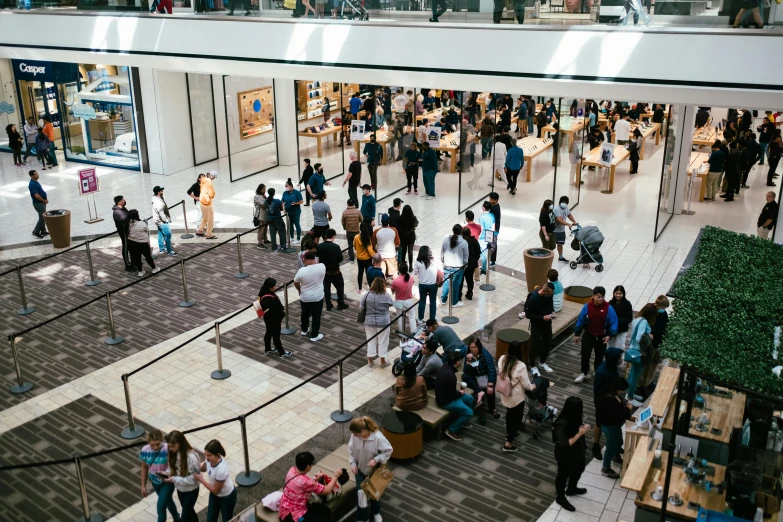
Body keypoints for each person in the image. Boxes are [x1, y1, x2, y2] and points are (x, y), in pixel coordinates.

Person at [348, 417, 393, 522]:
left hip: (374, 471)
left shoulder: (378, 437)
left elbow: (388, 451)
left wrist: (376, 459)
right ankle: (363, 518)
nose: (353, 436)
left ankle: (376, 512)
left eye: (355, 434)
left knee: (374, 492)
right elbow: (351, 450)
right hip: (359, 470)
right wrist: (353, 464)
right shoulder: (354, 436)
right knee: (361, 495)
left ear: (362, 431)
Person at [279, 452, 344, 522]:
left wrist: (315, 480)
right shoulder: (307, 482)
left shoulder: (291, 470)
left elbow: (300, 483)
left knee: (325, 510)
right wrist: (336, 476)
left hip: (284, 510)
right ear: (308, 466)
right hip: (294, 517)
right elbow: (327, 490)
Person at [574, 286, 619, 383]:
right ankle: (584, 373)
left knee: (599, 356)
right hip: (588, 335)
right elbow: (581, 320)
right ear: (593, 296)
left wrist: (609, 335)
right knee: (585, 355)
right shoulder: (587, 306)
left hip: (601, 337)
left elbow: (614, 322)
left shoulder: (608, 308)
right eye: (598, 296)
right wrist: (577, 333)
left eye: (602, 297)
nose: (600, 299)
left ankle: (597, 372)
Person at [553, 397, 590, 512]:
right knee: (563, 475)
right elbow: (565, 444)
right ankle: (560, 497)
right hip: (565, 455)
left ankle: (571, 488)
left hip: (578, 451)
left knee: (579, 469)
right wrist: (580, 433)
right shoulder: (561, 423)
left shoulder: (574, 417)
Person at [498, 341, 536, 452]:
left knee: (509, 414)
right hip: (516, 397)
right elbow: (526, 384)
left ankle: (509, 433)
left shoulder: (502, 359)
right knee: (517, 419)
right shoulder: (520, 365)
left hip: (505, 393)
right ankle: (508, 443)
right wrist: (533, 386)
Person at [140, 429, 180, 522]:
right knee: (168, 501)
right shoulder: (145, 450)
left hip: (168, 481)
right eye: (152, 445)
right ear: (148, 442)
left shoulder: (167, 449)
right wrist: (143, 485)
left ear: (162, 440)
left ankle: (177, 518)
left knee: (161, 507)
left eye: (158, 444)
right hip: (154, 481)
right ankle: (177, 518)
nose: (155, 447)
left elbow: (175, 465)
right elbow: (144, 468)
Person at [591, 346, 623, 461]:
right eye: (619, 357)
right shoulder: (601, 372)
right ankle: (596, 445)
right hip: (603, 401)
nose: (621, 359)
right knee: (601, 423)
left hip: (612, 398)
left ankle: (616, 448)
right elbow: (598, 391)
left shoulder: (612, 365)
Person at [596, 378, 633, 478]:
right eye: (623, 389)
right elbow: (619, 414)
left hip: (613, 425)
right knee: (610, 446)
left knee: (619, 441)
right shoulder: (610, 400)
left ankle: (616, 456)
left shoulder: (613, 394)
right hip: (610, 426)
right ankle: (605, 468)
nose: (624, 392)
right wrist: (627, 410)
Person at [192, 440, 236, 522]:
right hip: (214, 496)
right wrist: (192, 465)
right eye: (205, 454)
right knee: (210, 519)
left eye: (209, 455)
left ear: (217, 455)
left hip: (227, 497)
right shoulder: (209, 460)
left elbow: (216, 490)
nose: (206, 457)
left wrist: (201, 479)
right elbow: (203, 468)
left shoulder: (221, 469)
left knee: (227, 519)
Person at [435, 352, 475, 441]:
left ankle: (462, 420)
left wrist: (459, 393)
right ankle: (451, 430)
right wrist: (460, 393)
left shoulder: (445, 366)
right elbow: (453, 395)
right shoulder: (450, 375)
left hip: (447, 395)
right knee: (469, 412)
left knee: (470, 399)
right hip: (446, 401)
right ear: (457, 362)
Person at [163, 431, 201, 522]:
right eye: (169, 446)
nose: (171, 449)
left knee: (184, 517)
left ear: (180, 443)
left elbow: (195, 478)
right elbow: (172, 468)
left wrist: (175, 479)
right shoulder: (172, 453)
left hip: (191, 490)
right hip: (180, 489)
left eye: (173, 446)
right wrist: (166, 473)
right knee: (190, 512)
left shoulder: (192, 457)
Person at [626, 303, 656, 407]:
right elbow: (639, 338)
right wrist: (649, 337)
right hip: (639, 352)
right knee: (635, 375)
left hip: (633, 349)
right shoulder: (644, 322)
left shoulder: (637, 318)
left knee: (632, 374)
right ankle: (630, 398)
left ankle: (629, 393)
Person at [463, 337, 499, 423]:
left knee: (489, 391)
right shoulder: (468, 354)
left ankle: (492, 408)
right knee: (465, 376)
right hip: (475, 375)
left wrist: (490, 385)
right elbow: (466, 370)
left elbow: (491, 370)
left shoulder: (485, 354)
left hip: (485, 376)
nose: (473, 349)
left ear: (479, 346)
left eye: (475, 347)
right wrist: (468, 361)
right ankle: (479, 392)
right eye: (472, 347)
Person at [361, 276, 394, 368]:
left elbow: (361, 305)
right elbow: (391, 303)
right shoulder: (386, 295)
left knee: (371, 340)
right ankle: (382, 362)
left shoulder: (367, 294)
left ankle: (370, 361)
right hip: (383, 322)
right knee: (383, 341)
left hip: (369, 321)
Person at [640, 295, 669, 394]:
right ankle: (642, 384)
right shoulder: (651, 312)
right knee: (647, 365)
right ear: (657, 305)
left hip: (659, 343)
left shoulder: (664, 314)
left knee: (655, 363)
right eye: (662, 308)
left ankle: (649, 380)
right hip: (651, 344)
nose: (663, 310)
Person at [294, 251, 326, 342]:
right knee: (316, 316)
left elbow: (296, 282)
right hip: (318, 296)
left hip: (305, 297)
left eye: (304, 259)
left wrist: (299, 289)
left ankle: (304, 329)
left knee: (305, 314)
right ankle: (314, 335)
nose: (303, 260)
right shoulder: (322, 266)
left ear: (308, 260)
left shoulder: (302, 271)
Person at [258, 277, 292, 357]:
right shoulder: (268, 298)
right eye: (274, 286)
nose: (275, 287)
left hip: (268, 317)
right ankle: (282, 352)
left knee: (269, 332)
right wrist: (283, 312)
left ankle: (268, 348)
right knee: (276, 335)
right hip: (273, 319)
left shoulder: (263, 291)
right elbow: (275, 310)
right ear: (270, 287)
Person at [526, 283, 555, 374]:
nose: (551, 295)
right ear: (544, 290)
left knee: (547, 343)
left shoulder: (549, 296)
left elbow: (550, 305)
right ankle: (533, 366)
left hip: (547, 324)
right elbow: (528, 315)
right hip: (536, 325)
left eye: (551, 294)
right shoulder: (533, 299)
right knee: (534, 345)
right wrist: (542, 318)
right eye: (549, 294)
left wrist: (552, 312)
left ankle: (542, 362)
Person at [317, 229, 348, 312]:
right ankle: (340, 304)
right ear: (333, 236)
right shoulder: (336, 247)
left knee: (326, 289)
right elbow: (340, 259)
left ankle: (328, 305)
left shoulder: (320, 246)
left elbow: (318, 259)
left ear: (326, 236)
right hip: (336, 272)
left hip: (325, 272)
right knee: (340, 287)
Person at [441, 224, 468, 307]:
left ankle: (443, 299)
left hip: (447, 265)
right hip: (458, 267)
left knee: (446, 282)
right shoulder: (464, 242)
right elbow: (466, 256)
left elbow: (442, 252)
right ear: (461, 232)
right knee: (456, 284)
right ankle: (454, 302)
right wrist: (464, 265)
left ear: (453, 231)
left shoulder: (446, 240)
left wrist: (443, 260)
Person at [127, 209, 159, 277]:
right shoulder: (141, 223)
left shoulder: (127, 224)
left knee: (137, 258)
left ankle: (140, 271)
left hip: (132, 243)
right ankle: (154, 268)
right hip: (142, 243)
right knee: (148, 256)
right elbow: (146, 230)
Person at [414, 246, 440, 323]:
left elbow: (415, 272)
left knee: (422, 301)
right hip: (432, 284)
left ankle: (420, 318)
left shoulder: (418, 262)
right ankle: (432, 318)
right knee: (433, 301)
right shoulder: (434, 261)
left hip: (422, 284)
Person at [372, 213, 400, 278]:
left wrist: (376, 251)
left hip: (381, 256)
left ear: (381, 222)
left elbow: (373, 244)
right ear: (389, 221)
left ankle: (383, 285)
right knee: (394, 274)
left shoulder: (376, 232)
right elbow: (397, 243)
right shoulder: (394, 230)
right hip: (391, 255)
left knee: (382, 274)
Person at [391, 261, 417, 333]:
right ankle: (413, 332)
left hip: (399, 301)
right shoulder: (411, 278)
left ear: (399, 270)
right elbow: (413, 281)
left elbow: (392, 290)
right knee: (412, 317)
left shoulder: (396, 280)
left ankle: (401, 332)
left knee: (400, 317)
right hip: (409, 300)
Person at [152, 186, 176, 256]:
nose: (162, 192)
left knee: (160, 234)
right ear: (158, 192)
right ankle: (169, 251)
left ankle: (161, 249)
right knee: (168, 235)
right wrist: (165, 221)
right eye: (161, 191)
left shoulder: (156, 198)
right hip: (162, 222)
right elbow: (161, 212)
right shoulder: (158, 202)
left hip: (158, 221)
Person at [459, 227, 481, 301]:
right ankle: (470, 293)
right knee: (470, 279)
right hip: (471, 264)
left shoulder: (461, 241)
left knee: (461, 279)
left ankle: (459, 294)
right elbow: (479, 252)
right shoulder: (474, 240)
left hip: (462, 264)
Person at [112, 195, 134, 271]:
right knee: (126, 247)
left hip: (128, 230)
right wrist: (131, 215)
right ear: (119, 202)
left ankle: (132, 263)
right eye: (123, 200)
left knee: (130, 247)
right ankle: (127, 265)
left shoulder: (123, 208)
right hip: (123, 232)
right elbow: (125, 219)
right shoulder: (117, 211)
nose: (124, 201)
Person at [354, 221, 376, 293]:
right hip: (367, 259)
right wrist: (375, 256)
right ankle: (370, 287)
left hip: (359, 258)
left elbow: (354, 246)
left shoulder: (356, 237)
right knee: (368, 273)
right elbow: (370, 249)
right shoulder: (367, 237)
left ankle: (360, 289)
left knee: (360, 273)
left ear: (360, 228)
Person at [553, 196, 577, 262]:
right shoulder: (556, 209)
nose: (564, 203)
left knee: (560, 244)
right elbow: (558, 220)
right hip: (555, 230)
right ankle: (547, 256)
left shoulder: (566, 208)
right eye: (563, 202)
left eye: (565, 202)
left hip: (562, 230)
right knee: (552, 246)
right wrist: (568, 224)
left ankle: (560, 257)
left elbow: (569, 215)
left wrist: (574, 221)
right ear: (560, 202)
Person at [281, 179, 304, 245]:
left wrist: (296, 203)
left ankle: (298, 238)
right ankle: (291, 237)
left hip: (296, 212)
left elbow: (301, 201)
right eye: (285, 186)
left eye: (287, 186)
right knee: (290, 225)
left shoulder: (297, 193)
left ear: (291, 186)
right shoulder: (285, 193)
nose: (286, 188)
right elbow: (283, 201)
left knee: (297, 224)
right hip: (288, 212)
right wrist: (283, 209)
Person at [28, 170, 49, 239]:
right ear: (32, 176)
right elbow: (36, 195)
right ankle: (36, 231)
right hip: (38, 203)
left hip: (41, 202)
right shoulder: (32, 184)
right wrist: (44, 200)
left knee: (42, 216)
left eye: (37, 173)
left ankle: (43, 231)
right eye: (35, 174)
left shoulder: (35, 182)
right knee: (42, 217)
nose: (37, 175)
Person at [198, 171, 218, 239]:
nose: (214, 178)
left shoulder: (203, 181)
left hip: (202, 202)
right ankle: (209, 234)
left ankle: (200, 230)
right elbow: (212, 194)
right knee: (210, 219)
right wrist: (213, 195)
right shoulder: (209, 184)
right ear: (212, 176)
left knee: (205, 217)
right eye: (214, 177)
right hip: (207, 203)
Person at [479, 201, 496, 272]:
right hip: (490, 236)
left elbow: (481, 229)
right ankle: (486, 265)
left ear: (483, 208)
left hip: (483, 237)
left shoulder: (482, 217)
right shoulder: (492, 215)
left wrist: (479, 237)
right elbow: (493, 227)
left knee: (483, 253)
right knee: (487, 251)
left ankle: (484, 268)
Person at [253, 183, 269, 249]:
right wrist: (267, 200)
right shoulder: (257, 196)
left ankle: (265, 239)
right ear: (259, 189)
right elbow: (263, 205)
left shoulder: (263, 196)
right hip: (260, 216)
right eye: (263, 189)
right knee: (261, 229)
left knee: (265, 228)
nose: (265, 190)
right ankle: (260, 243)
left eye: (265, 189)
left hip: (265, 215)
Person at [488, 193, 501, 267]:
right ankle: (491, 259)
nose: (490, 201)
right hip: (493, 228)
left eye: (491, 199)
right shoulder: (494, 206)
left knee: (493, 244)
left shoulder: (495, 209)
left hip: (494, 229)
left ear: (496, 200)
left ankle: (492, 260)